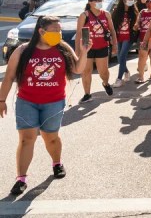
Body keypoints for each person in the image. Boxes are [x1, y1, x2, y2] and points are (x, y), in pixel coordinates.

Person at [0, 16, 91, 196]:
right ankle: (21, 179)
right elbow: (9, 77)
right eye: (55, 31)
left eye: (60, 30)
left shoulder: (63, 48)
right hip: (27, 102)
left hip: (53, 103)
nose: (59, 34)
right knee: (26, 139)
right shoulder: (23, 51)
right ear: (41, 31)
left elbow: (78, 69)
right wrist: (1, 100)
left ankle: (57, 163)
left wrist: (84, 51)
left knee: (51, 138)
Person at [75, 0, 117, 103]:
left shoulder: (106, 14)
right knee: (86, 71)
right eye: (97, 1)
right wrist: (77, 50)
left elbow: (112, 30)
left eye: (100, 1)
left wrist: (115, 45)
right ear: (90, 2)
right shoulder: (84, 15)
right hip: (87, 47)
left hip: (102, 46)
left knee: (103, 72)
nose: (99, 2)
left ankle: (105, 83)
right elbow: (79, 33)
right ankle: (87, 94)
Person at [111, 0, 138, 88]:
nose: (131, 1)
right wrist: (112, 37)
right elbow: (113, 25)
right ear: (123, 1)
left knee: (122, 55)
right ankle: (126, 71)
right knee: (119, 57)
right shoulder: (116, 11)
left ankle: (119, 79)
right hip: (118, 36)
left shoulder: (134, 12)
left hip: (128, 37)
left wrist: (135, 28)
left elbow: (136, 25)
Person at [134, 0, 151, 84]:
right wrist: (136, 25)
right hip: (143, 38)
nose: (149, 4)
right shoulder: (142, 11)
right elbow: (137, 21)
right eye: (147, 2)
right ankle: (141, 76)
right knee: (142, 57)